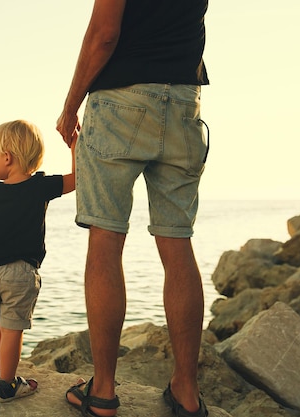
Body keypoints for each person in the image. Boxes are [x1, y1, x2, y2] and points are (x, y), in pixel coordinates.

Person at [56, 1, 210, 416]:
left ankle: (103, 390)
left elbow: (103, 35)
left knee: (106, 242)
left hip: (119, 101)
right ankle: (187, 392)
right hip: (184, 103)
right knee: (178, 244)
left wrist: (70, 106)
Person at [0, 120, 76, 402]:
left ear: (7, 157)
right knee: (12, 327)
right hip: (19, 273)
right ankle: (7, 384)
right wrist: (75, 147)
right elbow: (80, 177)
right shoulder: (41, 186)